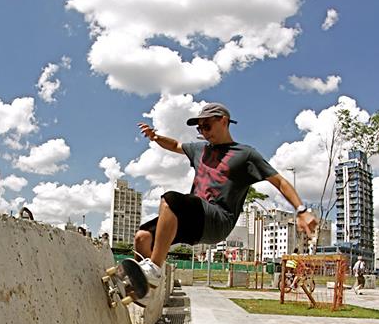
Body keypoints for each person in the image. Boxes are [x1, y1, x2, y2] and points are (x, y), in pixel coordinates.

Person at [134, 102, 317, 291]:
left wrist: (301, 210)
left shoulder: (246, 155)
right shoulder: (200, 149)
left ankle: (154, 270)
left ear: (224, 121)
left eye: (207, 126)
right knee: (142, 237)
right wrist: (155, 137)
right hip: (194, 220)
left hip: (218, 221)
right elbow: (176, 145)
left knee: (170, 201)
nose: (204, 132)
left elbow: (280, 182)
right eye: (200, 128)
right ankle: (146, 291)